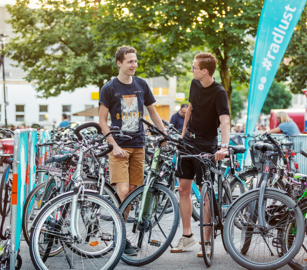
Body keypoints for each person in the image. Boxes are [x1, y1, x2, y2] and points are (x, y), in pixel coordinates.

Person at [98, 46, 166, 256]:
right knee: (124, 191)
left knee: (134, 191)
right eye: (130, 61)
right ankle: (122, 237)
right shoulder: (109, 88)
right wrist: (114, 145)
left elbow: (153, 112)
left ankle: (120, 228)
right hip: (118, 147)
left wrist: (164, 134)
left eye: (135, 61)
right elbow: (102, 120)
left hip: (139, 145)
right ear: (119, 63)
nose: (134, 65)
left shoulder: (141, 85)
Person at [171, 52, 230, 257]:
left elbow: (224, 121)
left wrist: (224, 146)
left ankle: (206, 240)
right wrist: (183, 134)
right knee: (183, 189)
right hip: (188, 142)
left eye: (194, 67)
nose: (191, 70)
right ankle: (187, 237)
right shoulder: (194, 84)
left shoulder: (219, 92)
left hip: (207, 143)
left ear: (204, 71)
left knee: (205, 193)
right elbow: (190, 109)